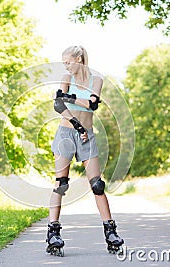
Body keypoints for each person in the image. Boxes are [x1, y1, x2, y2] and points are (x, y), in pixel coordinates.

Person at [46, 45, 124, 256]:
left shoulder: (96, 80)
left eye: (69, 62)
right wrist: (77, 123)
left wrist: (69, 97)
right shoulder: (66, 77)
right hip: (66, 134)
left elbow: (92, 105)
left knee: (97, 185)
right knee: (61, 183)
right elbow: (58, 106)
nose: (66, 66)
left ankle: (111, 231)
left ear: (79, 59)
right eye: (64, 63)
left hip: (87, 136)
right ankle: (53, 231)